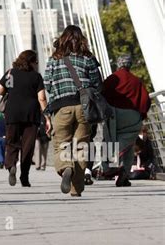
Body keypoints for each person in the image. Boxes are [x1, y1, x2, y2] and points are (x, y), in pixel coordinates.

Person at [43, 25, 102, 198]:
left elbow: (47, 83)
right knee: (81, 146)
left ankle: (65, 167)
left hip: (62, 107)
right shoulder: (88, 58)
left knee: (62, 142)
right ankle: (76, 189)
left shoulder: (54, 59)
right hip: (84, 107)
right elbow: (97, 84)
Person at [0, 49, 48, 188]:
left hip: (12, 113)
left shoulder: (11, 73)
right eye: (35, 61)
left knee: (11, 142)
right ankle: (24, 177)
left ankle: (11, 165)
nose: (37, 64)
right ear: (30, 62)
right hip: (31, 115)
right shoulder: (36, 76)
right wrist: (47, 117)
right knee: (28, 147)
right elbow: (41, 98)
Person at [102, 54, 151, 187]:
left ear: (118, 64)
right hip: (131, 116)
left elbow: (102, 94)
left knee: (109, 139)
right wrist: (141, 114)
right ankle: (124, 175)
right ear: (130, 65)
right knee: (129, 143)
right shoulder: (136, 81)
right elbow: (146, 100)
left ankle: (108, 167)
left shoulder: (111, 79)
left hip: (112, 115)